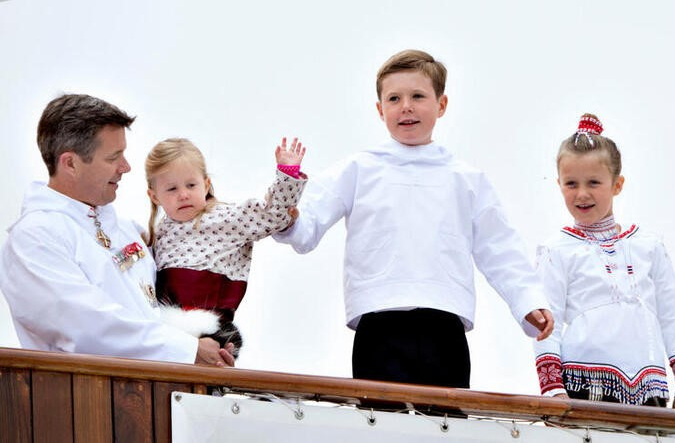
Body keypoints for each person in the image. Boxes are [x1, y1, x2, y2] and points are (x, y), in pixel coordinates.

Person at [274, 49, 553, 388]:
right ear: (380, 110)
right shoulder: (359, 169)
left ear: (442, 104)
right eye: (394, 98)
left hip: (444, 322)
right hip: (378, 322)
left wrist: (527, 300)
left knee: (444, 425)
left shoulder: (465, 178)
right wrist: (287, 209)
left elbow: (500, 246)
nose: (405, 106)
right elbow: (305, 227)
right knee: (382, 425)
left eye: (417, 96)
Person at [0, 93, 234, 367]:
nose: (126, 167)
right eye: (114, 157)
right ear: (70, 163)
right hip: (88, 403)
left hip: (160, 392)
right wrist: (186, 349)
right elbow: (85, 325)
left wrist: (207, 339)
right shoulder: (35, 237)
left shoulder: (126, 230)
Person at [533, 113, 675, 409]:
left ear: (617, 184)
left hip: (651, 386)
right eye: (571, 183)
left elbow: (673, 317)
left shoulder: (648, 247)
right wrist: (553, 390)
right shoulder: (556, 250)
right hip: (583, 387)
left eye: (594, 182)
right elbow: (547, 324)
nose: (582, 194)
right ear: (558, 184)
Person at [145, 137, 307, 358]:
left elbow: (272, 215)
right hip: (167, 340)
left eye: (191, 185)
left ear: (206, 184)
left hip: (211, 334)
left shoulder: (227, 219)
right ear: (154, 196)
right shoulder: (156, 234)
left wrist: (287, 173)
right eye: (171, 188)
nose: (183, 194)